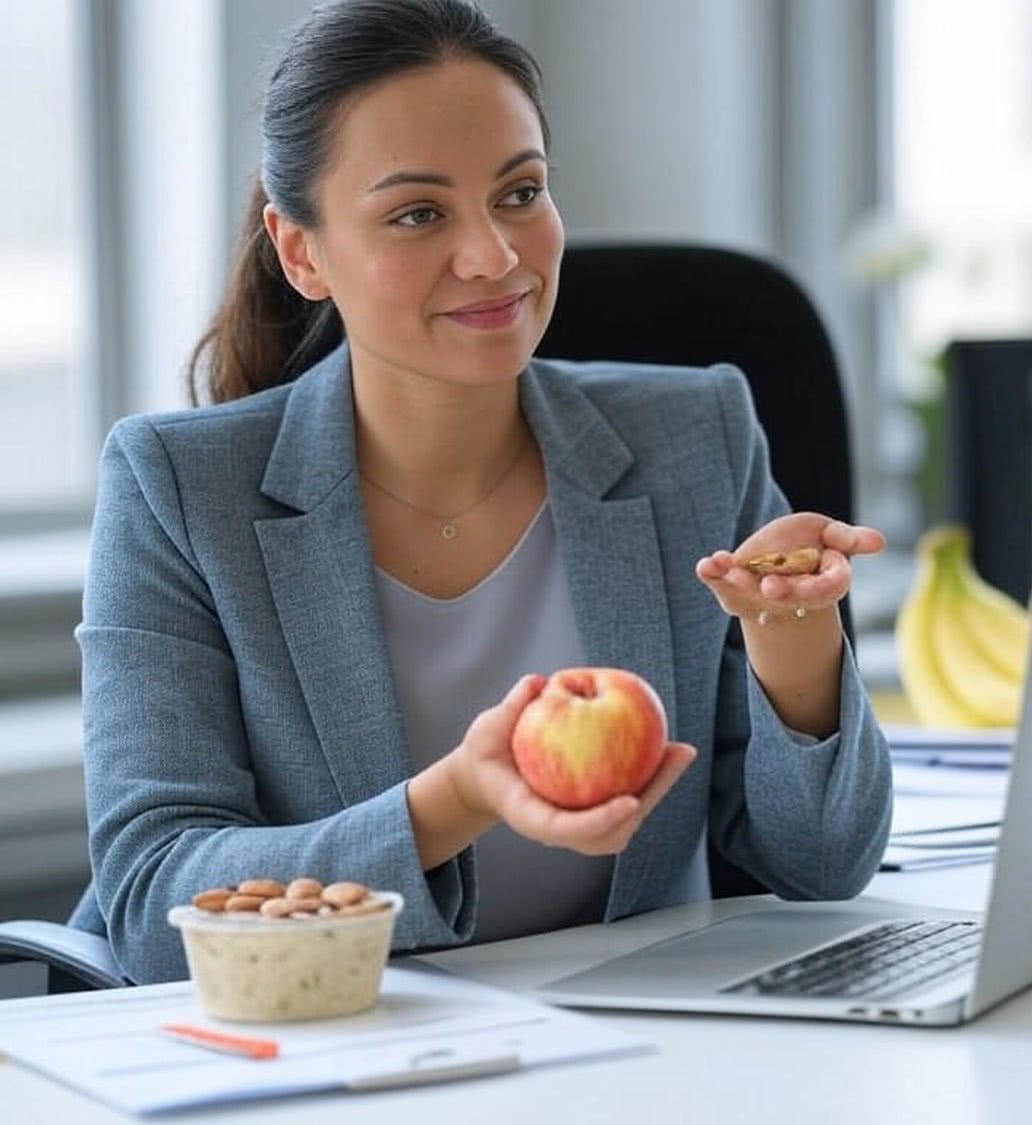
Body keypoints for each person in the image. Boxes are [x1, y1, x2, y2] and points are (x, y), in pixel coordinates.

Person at [75, 0, 892, 984]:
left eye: (519, 193)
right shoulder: (176, 490)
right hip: (351, 1052)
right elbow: (150, 908)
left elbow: (824, 867)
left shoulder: (695, 434)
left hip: (650, 1049)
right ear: (302, 252)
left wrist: (793, 648)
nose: (495, 256)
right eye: (419, 213)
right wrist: (455, 799)